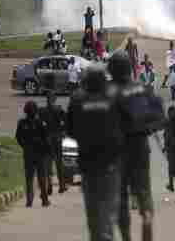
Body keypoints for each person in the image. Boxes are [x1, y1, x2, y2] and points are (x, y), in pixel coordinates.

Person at [67, 64, 126, 241]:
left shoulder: (77, 101)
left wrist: (68, 167)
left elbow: (69, 136)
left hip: (88, 169)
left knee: (93, 219)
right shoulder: (114, 99)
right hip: (111, 167)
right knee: (107, 216)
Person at [108, 53, 164, 241]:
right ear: (129, 69)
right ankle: (147, 216)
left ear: (112, 70)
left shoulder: (108, 93)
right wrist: (146, 128)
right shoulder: (142, 88)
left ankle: (126, 237)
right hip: (140, 147)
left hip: (118, 151)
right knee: (143, 189)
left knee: (121, 196)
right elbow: (159, 114)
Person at [16, 101, 51, 207]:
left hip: (29, 153)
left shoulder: (22, 123)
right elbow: (46, 139)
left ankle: (29, 201)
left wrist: (25, 147)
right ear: (36, 111)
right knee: (42, 178)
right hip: (40, 154)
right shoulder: (41, 122)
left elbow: (18, 137)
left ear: (25, 111)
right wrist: (47, 151)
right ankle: (44, 200)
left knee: (29, 178)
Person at [40, 91, 68, 195]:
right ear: (54, 99)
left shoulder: (42, 111)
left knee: (48, 163)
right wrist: (63, 131)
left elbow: (40, 125)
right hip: (57, 138)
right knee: (59, 162)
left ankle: (50, 185)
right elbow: (66, 121)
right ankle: (61, 185)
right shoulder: (59, 109)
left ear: (46, 100)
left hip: (47, 139)